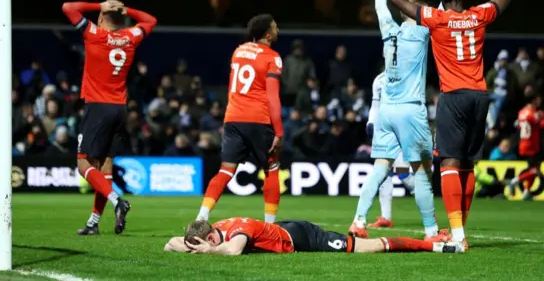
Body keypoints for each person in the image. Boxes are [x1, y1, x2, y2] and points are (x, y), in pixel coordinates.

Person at [388, 0, 513, 249]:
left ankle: (457, 238)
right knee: (468, 164)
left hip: (453, 96)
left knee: (449, 163)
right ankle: (460, 230)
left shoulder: (438, 18)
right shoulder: (478, 15)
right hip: (480, 96)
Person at [350, 0, 446, 243]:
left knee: (381, 167)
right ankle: (431, 232)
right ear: (416, 13)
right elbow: (441, 13)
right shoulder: (421, 32)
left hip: (386, 111)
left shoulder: (388, 30)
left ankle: (358, 221)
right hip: (409, 110)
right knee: (420, 171)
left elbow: (381, 6)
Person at [62, 0, 157, 235]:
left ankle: (118, 201)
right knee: (104, 169)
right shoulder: (130, 37)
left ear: (103, 19)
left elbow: (68, 7)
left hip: (97, 107)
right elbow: (151, 20)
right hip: (119, 109)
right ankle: (94, 223)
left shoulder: (94, 34)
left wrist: (99, 5)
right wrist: (127, 10)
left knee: (83, 164)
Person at [195, 14, 283, 223]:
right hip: (259, 119)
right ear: (268, 34)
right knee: (271, 168)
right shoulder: (273, 57)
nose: (278, 30)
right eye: (276, 27)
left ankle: (201, 216)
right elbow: (272, 97)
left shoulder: (238, 51)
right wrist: (279, 131)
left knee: (225, 170)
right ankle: (269, 226)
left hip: (233, 118)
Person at [164, 218, 465, 255]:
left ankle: (432, 242)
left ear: (212, 236)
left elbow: (232, 252)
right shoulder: (215, 230)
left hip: (303, 236)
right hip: (283, 229)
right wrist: (190, 247)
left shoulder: (237, 231)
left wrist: (202, 252)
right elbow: (169, 244)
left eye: (206, 243)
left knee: (368, 248)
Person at [365, 71, 415, 229]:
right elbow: (375, 105)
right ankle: (385, 217)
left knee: (403, 172)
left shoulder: (408, 75)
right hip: (384, 132)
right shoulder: (379, 80)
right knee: (384, 172)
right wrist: (370, 122)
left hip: (403, 129)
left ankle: (429, 211)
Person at [509, 93, 544, 200]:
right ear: (533, 101)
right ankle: (515, 180)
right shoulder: (532, 113)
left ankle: (526, 192)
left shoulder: (522, 112)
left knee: (534, 168)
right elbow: (541, 124)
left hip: (523, 143)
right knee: (535, 170)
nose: (539, 102)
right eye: (538, 100)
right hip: (531, 145)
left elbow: (519, 125)